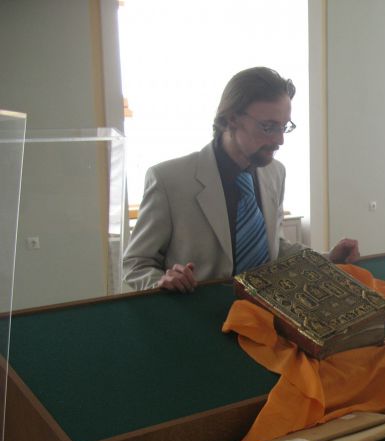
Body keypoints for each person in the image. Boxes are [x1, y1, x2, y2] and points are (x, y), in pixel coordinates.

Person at [123, 66, 360, 293]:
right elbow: (136, 263)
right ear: (232, 119)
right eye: (268, 127)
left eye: (284, 127)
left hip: (264, 314)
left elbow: (274, 247)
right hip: (197, 314)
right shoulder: (169, 180)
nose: (280, 140)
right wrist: (161, 282)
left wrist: (327, 259)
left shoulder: (275, 173)